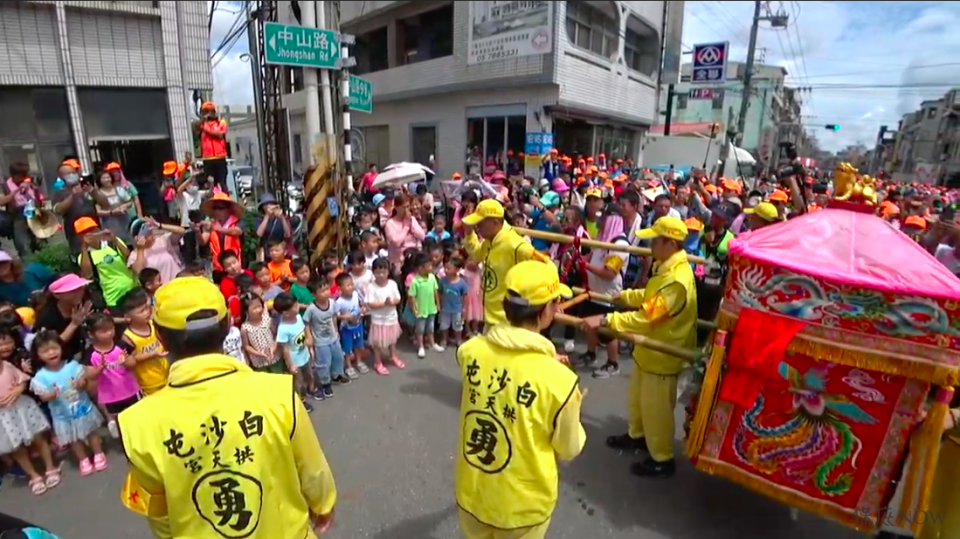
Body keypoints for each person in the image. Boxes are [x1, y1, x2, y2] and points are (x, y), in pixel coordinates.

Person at [118, 276, 338, 539]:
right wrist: (322, 505)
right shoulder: (278, 393)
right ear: (227, 326)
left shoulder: (137, 423)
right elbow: (313, 469)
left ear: (161, 338)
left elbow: (160, 516)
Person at [455, 260, 585, 539]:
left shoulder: (469, 351)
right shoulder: (560, 381)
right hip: (523, 508)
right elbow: (569, 447)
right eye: (555, 302)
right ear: (545, 310)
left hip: (473, 494)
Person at [581, 216, 698, 478]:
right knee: (638, 400)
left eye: (655, 240)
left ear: (669, 243)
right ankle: (637, 435)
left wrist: (604, 319)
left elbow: (646, 318)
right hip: (649, 352)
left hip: (663, 352)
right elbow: (649, 298)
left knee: (656, 409)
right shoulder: (666, 267)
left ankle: (661, 457)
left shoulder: (676, 281)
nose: (651, 245)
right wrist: (625, 296)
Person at [462, 199, 550, 326]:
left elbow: (546, 267)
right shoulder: (491, 238)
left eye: (480, 222)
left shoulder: (517, 246)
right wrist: (469, 233)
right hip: (491, 317)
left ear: (495, 223)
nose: (477, 226)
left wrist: (549, 300)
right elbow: (477, 254)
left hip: (507, 321)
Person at [30, 330, 106, 477]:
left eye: (54, 348)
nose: (51, 353)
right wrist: (50, 395)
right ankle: (83, 459)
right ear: (37, 354)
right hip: (62, 416)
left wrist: (80, 383)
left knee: (92, 433)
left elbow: (85, 385)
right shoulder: (40, 376)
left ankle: (98, 453)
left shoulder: (72, 366)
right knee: (73, 439)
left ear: (61, 347)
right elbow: (43, 398)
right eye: (45, 351)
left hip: (83, 409)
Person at [0, 326, 57, 495]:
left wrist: (18, 389)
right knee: (17, 448)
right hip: (3, 417)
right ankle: (33, 475)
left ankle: (50, 467)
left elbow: (24, 380)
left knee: (37, 438)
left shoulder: (7, 366)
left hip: (21, 409)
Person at [75, 216, 138, 309]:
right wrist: (84, 246)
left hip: (133, 288)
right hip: (113, 297)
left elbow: (130, 258)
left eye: (92, 229)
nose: (91, 233)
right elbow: (88, 273)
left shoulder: (112, 244)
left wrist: (115, 240)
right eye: (85, 233)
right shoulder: (84, 256)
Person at [119, 288, 169, 396]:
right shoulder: (128, 337)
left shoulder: (153, 324)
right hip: (148, 384)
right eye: (141, 311)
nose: (147, 312)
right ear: (128, 318)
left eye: (147, 308)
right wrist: (153, 353)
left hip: (167, 374)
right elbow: (132, 360)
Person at [303, 280, 345, 398]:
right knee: (323, 363)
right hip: (320, 342)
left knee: (338, 357)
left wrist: (336, 331)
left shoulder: (332, 303)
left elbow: (334, 317)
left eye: (327, 289)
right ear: (314, 294)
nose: (326, 293)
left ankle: (336, 375)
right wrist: (309, 337)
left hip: (333, 337)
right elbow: (306, 323)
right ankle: (325, 383)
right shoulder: (311, 309)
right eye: (322, 291)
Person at [363, 258, 403, 374]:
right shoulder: (371, 287)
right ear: (373, 273)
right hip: (378, 320)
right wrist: (382, 304)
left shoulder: (392, 284)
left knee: (392, 340)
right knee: (377, 343)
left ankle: (393, 356)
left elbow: (398, 299)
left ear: (388, 272)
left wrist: (392, 303)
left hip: (391, 317)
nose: (381, 275)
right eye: (378, 272)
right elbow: (369, 303)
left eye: (383, 272)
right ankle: (377, 362)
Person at [2, 163, 43, 258]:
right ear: (14, 175)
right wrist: (17, 190)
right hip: (18, 216)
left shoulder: (30, 184)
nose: (24, 178)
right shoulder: (6, 186)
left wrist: (36, 191)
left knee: (39, 245)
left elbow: (38, 203)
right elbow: (5, 202)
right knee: (23, 246)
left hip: (34, 214)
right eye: (21, 176)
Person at [201, 193, 244, 275]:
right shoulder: (211, 224)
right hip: (218, 267)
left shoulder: (237, 222)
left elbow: (237, 232)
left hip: (235, 265)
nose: (217, 211)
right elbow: (203, 241)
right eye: (215, 208)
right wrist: (197, 231)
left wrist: (217, 228)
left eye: (220, 208)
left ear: (228, 209)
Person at [407, 253, 440, 358]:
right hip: (421, 309)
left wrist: (438, 304)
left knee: (430, 327)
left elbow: (435, 292)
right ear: (420, 268)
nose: (431, 267)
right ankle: (420, 346)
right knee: (420, 329)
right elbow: (411, 296)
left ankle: (432, 343)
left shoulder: (432, 277)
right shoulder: (415, 281)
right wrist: (413, 309)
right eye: (429, 266)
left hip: (431, 308)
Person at [195, 101, 229, 191]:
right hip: (207, 159)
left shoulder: (221, 122)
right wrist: (203, 120)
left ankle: (225, 200)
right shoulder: (201, 124)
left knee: (222, 183)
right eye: (206, 111)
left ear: (214, 112)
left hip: (220, 157)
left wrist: (206, 130)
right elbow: (195, 128)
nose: (208, 113)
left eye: (210, 111)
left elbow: (220, 135)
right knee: (210, 183)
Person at [255, 194, 292, 260]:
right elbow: (259, 234)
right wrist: (267, 216)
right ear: (262, 207)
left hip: (280, 250)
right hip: (267, 252)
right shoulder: (259, 219)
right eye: (266, 204)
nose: (269, 206)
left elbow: (287, 234)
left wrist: (282, 217)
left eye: (271, 203)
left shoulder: (281, 218)